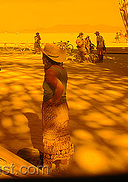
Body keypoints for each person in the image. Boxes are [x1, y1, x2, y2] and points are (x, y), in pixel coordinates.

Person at [40, 43, 74, 172]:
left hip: (53, 108)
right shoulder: (62, 70)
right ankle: (63, 162)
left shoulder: (50, 72)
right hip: (63, 107)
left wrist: (53, 100)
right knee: (62, 134)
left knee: (50, 135)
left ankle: (47, 166)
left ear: (46, 58)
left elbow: (59, 88)